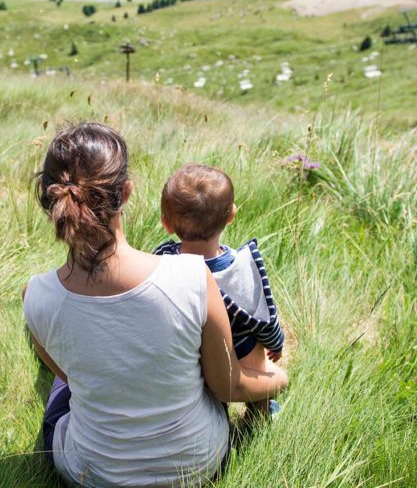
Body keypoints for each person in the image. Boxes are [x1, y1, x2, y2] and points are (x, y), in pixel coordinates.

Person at [23, 123, 289, 486]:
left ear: (51, 202)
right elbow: (229, 387)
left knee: (59, 387)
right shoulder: (193, 276)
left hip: (93, 475)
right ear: (127, 191)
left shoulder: (36, 296)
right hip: (197, 464)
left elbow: (71, 377)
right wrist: (280, 379)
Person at [153, 164, 285, 416]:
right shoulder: (240, 268)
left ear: (167, 224)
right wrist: (276, 343)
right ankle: (259, 407)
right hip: (233, 356)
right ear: (231, 215)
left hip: (183, 348)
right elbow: (263, 317)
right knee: (252, 341)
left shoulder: (164, 258)